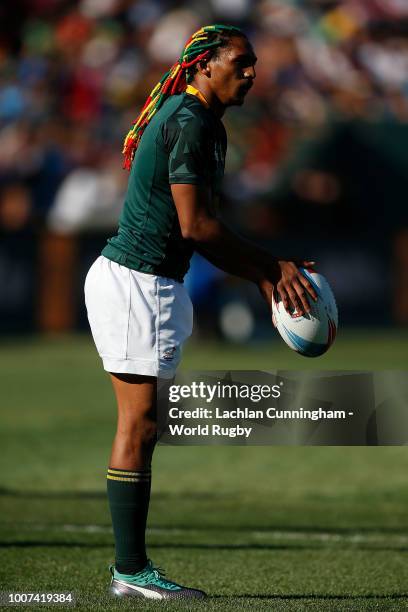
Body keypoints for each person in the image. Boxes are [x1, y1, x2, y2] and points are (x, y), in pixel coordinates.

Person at [84, 23, 317, 601]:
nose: (252, 72)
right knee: (138, 425)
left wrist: (263, 270)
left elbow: (201, 223)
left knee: (145, 425)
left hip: (150, 282)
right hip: (137, 283)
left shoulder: (203, 122)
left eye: (254, 62)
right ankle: (130, 571)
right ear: (203, 65)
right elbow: (196, 226)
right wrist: (269, 268)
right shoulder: (189, 122)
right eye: (240, 62)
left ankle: (129, 569)